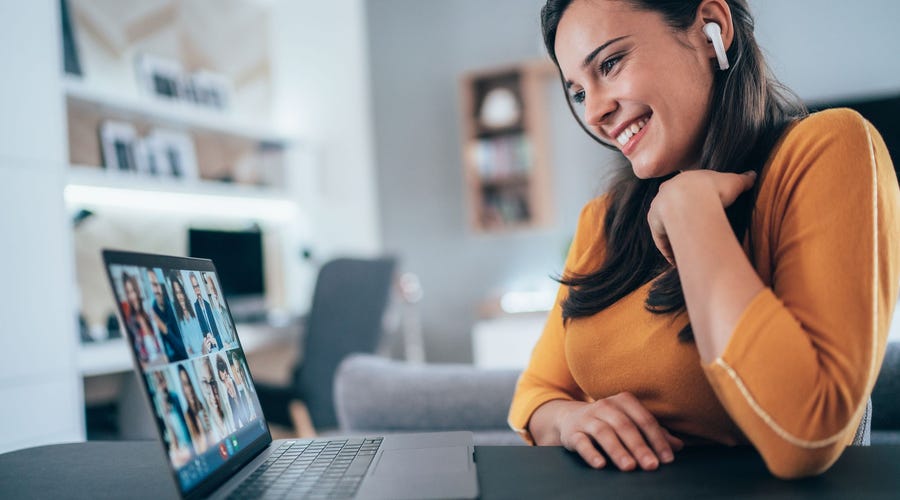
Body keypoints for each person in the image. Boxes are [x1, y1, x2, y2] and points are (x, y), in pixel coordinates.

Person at [509, 0, 900, 479]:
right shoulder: (603, 220)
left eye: (609, 64)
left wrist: (691, 214)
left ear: (710, 28)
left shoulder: (827, 150)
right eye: (576, 93)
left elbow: (806, 435)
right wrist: (569, 420)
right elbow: (536, 394)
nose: (594, 111)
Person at [122, 272, 166, 365]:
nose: (131, 296)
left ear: (137, 290)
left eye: (133, 291)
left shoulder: (149, 311)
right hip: (151, 367)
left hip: (164, 360)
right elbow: (139, 358)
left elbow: (165, 333)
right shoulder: (130, 322)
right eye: (128, 293)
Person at [148, 269, 189, 361]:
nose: (156, 290)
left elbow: (184, 351)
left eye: (157, 284)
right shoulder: (153, 311)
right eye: (152, 285)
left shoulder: (171, 307)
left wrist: (164, 329)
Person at [169, 273, 207, 356]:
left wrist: (204, 351)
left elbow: (203, 339)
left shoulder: (193, 312)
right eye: (176, 293)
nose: (180, 296)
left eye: (181, 292)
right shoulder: (177, 320)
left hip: (204, 354)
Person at [177, 364, 211, 454]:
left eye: (189, 383)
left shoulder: (204, 408)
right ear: (182, 389)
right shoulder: (186, 417)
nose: (189, 388)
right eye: (185, 384)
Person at [197, 356, 232, 436]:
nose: (213, 395)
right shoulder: (207, 431)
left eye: (212, 382)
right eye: (205, 383)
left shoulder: (230, 412)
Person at [190, 273, 223, 353]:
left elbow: (216, 327)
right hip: (207, 347)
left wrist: (218, 342)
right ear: (192, 289)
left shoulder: (208, 304)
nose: (197, 289)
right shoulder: (194, 307)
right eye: (194, 287)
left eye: (197, 286)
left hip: (217, 344)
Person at [203, 272, 236, 348]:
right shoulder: (209, 315)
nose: (214, 291)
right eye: (211, 289)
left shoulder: (225, 311)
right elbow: (214, 340)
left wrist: (231, 345)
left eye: (214, 288)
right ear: (209, 293)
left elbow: (233, 333)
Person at [216, 353, 248, 429]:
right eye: (222, 371)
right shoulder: (224, 384)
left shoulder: (230, 380)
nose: (224, 373)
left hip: (238, 410)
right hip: (235, 411)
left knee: (241, 421)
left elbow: (236, 399)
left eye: (225, 370)